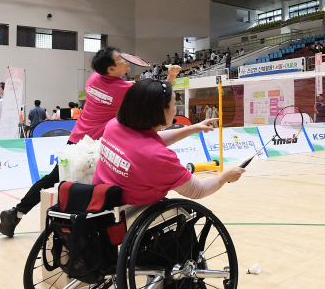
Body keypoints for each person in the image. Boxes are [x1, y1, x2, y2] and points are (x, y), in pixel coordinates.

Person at [0, 46, 181, 237]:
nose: (126, 61)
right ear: (110, 69)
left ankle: (16, 212)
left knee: (52, 178)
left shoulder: (94, 79)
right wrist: (171, 76)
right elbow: (157, 97)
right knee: (104, 185)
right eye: (121, 59)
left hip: (76, 139)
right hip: (97, 146)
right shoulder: (122, 89)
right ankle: (96, 232)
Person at [93, 80, 244, 206]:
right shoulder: (156, 157)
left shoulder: (113, 125)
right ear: (159, 111)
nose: (176, 109)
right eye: (173, 105)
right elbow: (198, 190)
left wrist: (193, 128)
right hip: (131, 211)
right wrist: (226, 176)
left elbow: (148, 143)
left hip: (102, 199)